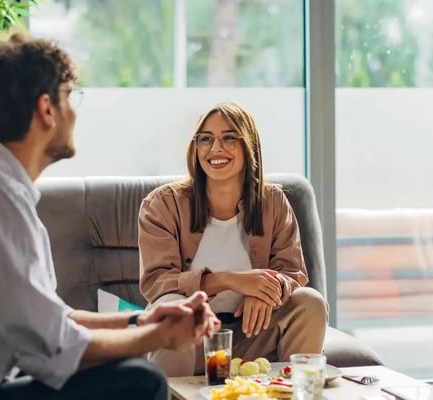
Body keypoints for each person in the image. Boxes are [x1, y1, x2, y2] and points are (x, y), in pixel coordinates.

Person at [0, 30, 219, 400]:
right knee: (139, 381)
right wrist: (157, 338)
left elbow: (48, 320)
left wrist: (141, 319)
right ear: (46, 109)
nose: (75, 112)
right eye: (69, 96)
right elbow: (50, 348)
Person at [138, 101, 328, 377]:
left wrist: (266, 292)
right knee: (171, 309)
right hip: (191, 338)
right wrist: (233, 280)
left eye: (229, 138)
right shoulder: (162, 204)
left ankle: (294, 390)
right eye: (206, 139)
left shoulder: (273, 201)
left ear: (249, 146)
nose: (216, 149)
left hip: (255, 332)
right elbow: (156, 282)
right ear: (195, 148)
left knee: (309, 302)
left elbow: (293, 271)